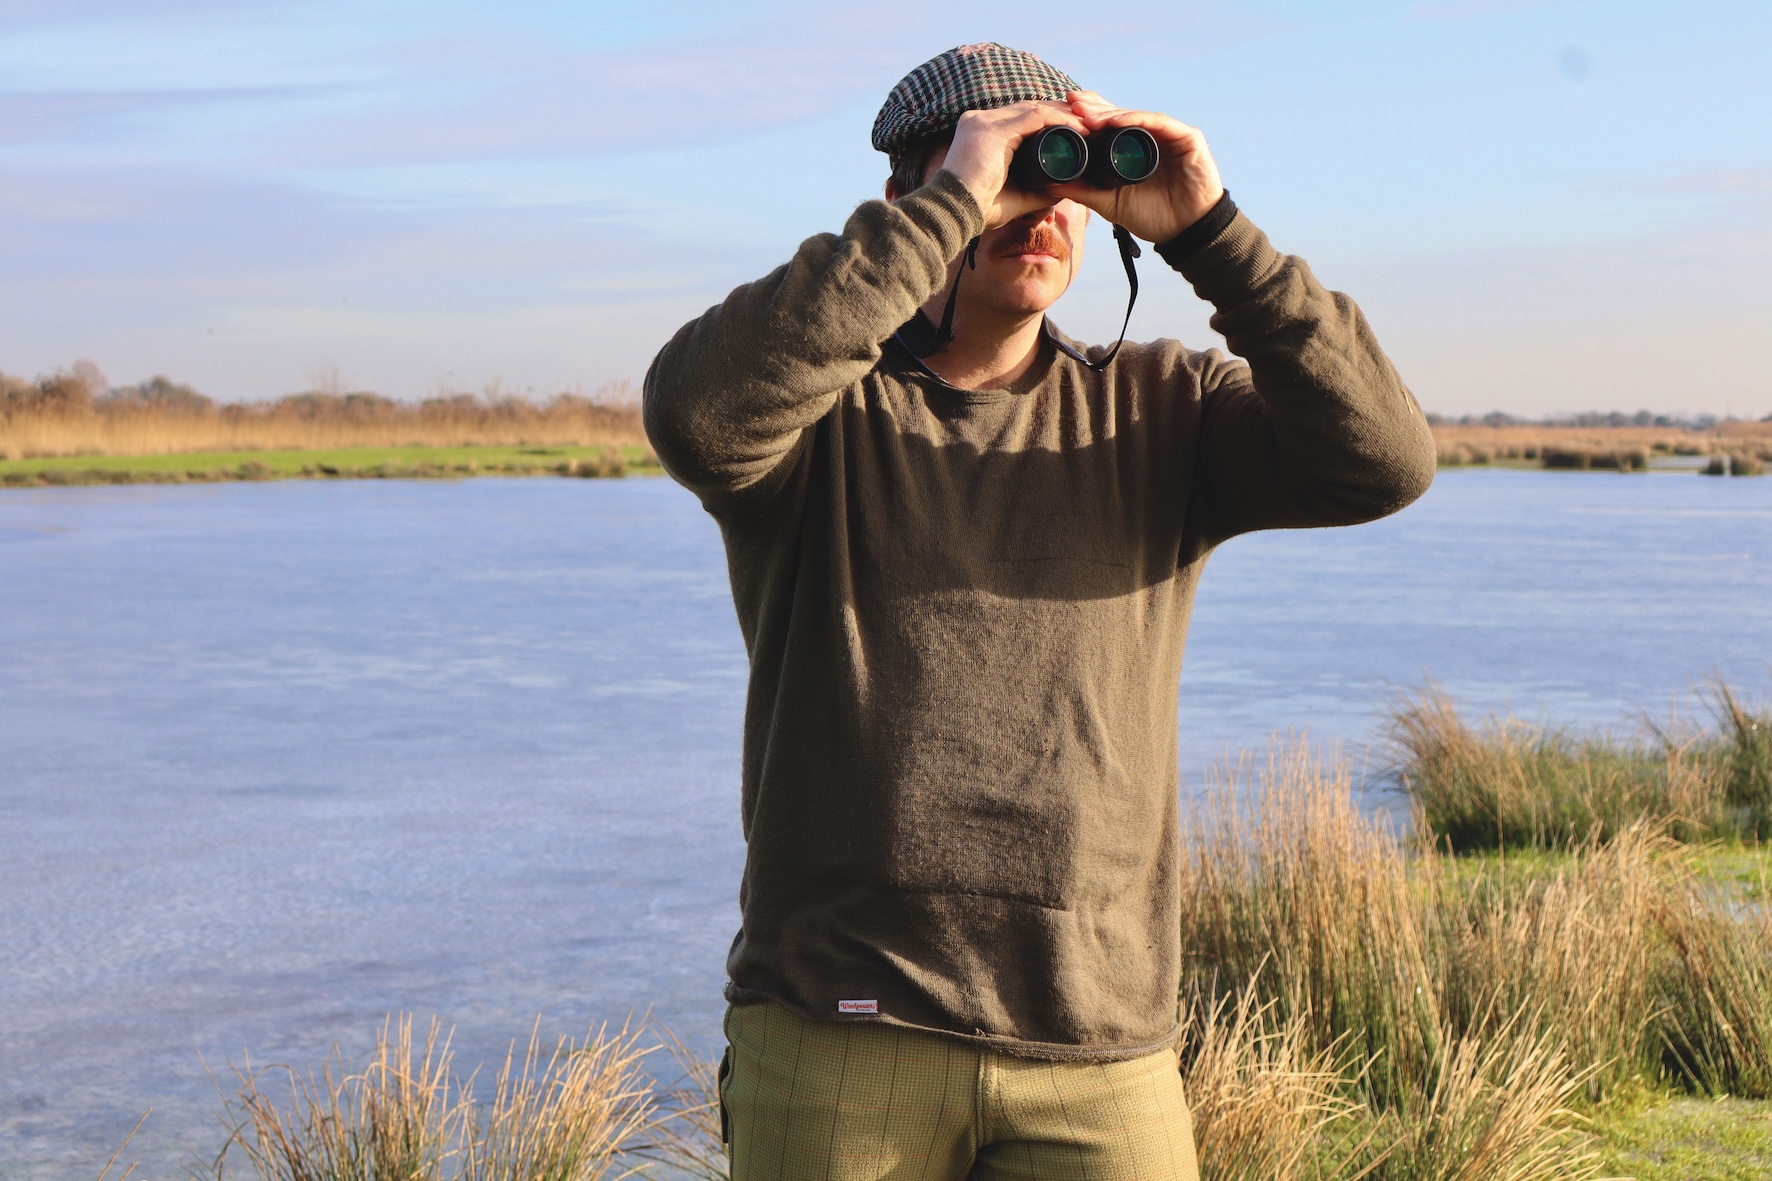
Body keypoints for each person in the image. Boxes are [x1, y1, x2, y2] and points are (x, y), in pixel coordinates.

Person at [644, 42, 1436, 1181]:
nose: (1040, 209)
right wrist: (949, 206)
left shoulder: (1159, 409)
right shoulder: (818, 418)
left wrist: (1211, 232)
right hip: (839, 1023)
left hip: (1098, 1042)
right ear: (906, 197)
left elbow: (1384, 460)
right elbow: (697, 414)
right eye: (1006, 173)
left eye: (1058, 177)